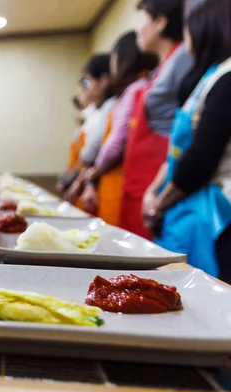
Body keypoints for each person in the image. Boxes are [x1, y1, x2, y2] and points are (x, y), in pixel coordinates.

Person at [143, 0, 231, 279]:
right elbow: (177, 151)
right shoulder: (208, 78)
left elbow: (200, 159)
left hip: (216, 213)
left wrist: (160, 202)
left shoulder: (226, 79)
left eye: (188, 30)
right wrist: (153, 191)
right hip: (185, 207)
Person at [120, 0, 193, 239]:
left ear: (161, 22)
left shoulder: (182, 58)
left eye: (143, 19)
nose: (139, 29)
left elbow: (184, 129)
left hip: (157, 176)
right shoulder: (160, 68)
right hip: (141, 180)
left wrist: (158, 192)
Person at [80, 32, 158, 225]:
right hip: (118, 182)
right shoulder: (139, 88)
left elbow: (116, 142)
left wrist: (93, 172)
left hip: (118, 182)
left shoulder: (133, 91)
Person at [64, 55, 117, 209]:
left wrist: (81, 180)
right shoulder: (96, 113)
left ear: (104, 80)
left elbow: (91, 152)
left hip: (98, 180)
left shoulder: (107, 109)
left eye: (88, 82)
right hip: (88, 179)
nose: (84, 94)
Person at [56, 91, 94, 195]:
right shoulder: (79, 130)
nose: (76, 113)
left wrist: (73, 182)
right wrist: (64, 178)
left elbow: (84, 160)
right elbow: (72, 162)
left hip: (82, 183)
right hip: (74, 183)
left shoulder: (92, 126)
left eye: (80, 109)